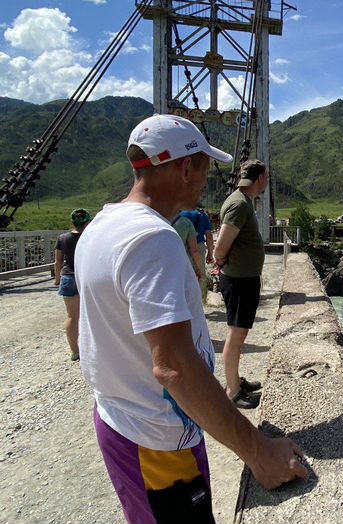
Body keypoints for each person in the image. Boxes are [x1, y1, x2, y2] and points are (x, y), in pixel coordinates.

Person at [74, 115, 307, 524]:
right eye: (204, 166)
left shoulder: (101, 224)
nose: (207, 179)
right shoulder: (153, 240)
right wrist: (260, 452)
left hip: (123, 422)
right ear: (185, 166)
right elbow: (174, 367)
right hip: (158, 440)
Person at [213, 160, 268, 410]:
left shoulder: (242, 201)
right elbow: (221, 246)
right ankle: (233, 391)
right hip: (238, 280)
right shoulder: (239, 204)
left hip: (243, 278)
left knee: (239, 333)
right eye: (266, 177)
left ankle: (236, 381)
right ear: (259, 179)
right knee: (236, 335)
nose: (266, 182)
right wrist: (221, 261)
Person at [54, 207, 91, 361]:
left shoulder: (62, 238)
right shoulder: (91, 237)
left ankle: (75, 352)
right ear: (88, 221)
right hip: (87, 277)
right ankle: (92, 348)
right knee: (90, 315)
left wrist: (57, 279)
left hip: (69, 277)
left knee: (72, 316)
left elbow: (58, 262)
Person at [172, 213, 205, 281]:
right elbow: (194, 250)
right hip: (183, 265)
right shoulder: (186, 222)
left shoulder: (156, 220)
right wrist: (200, 269)